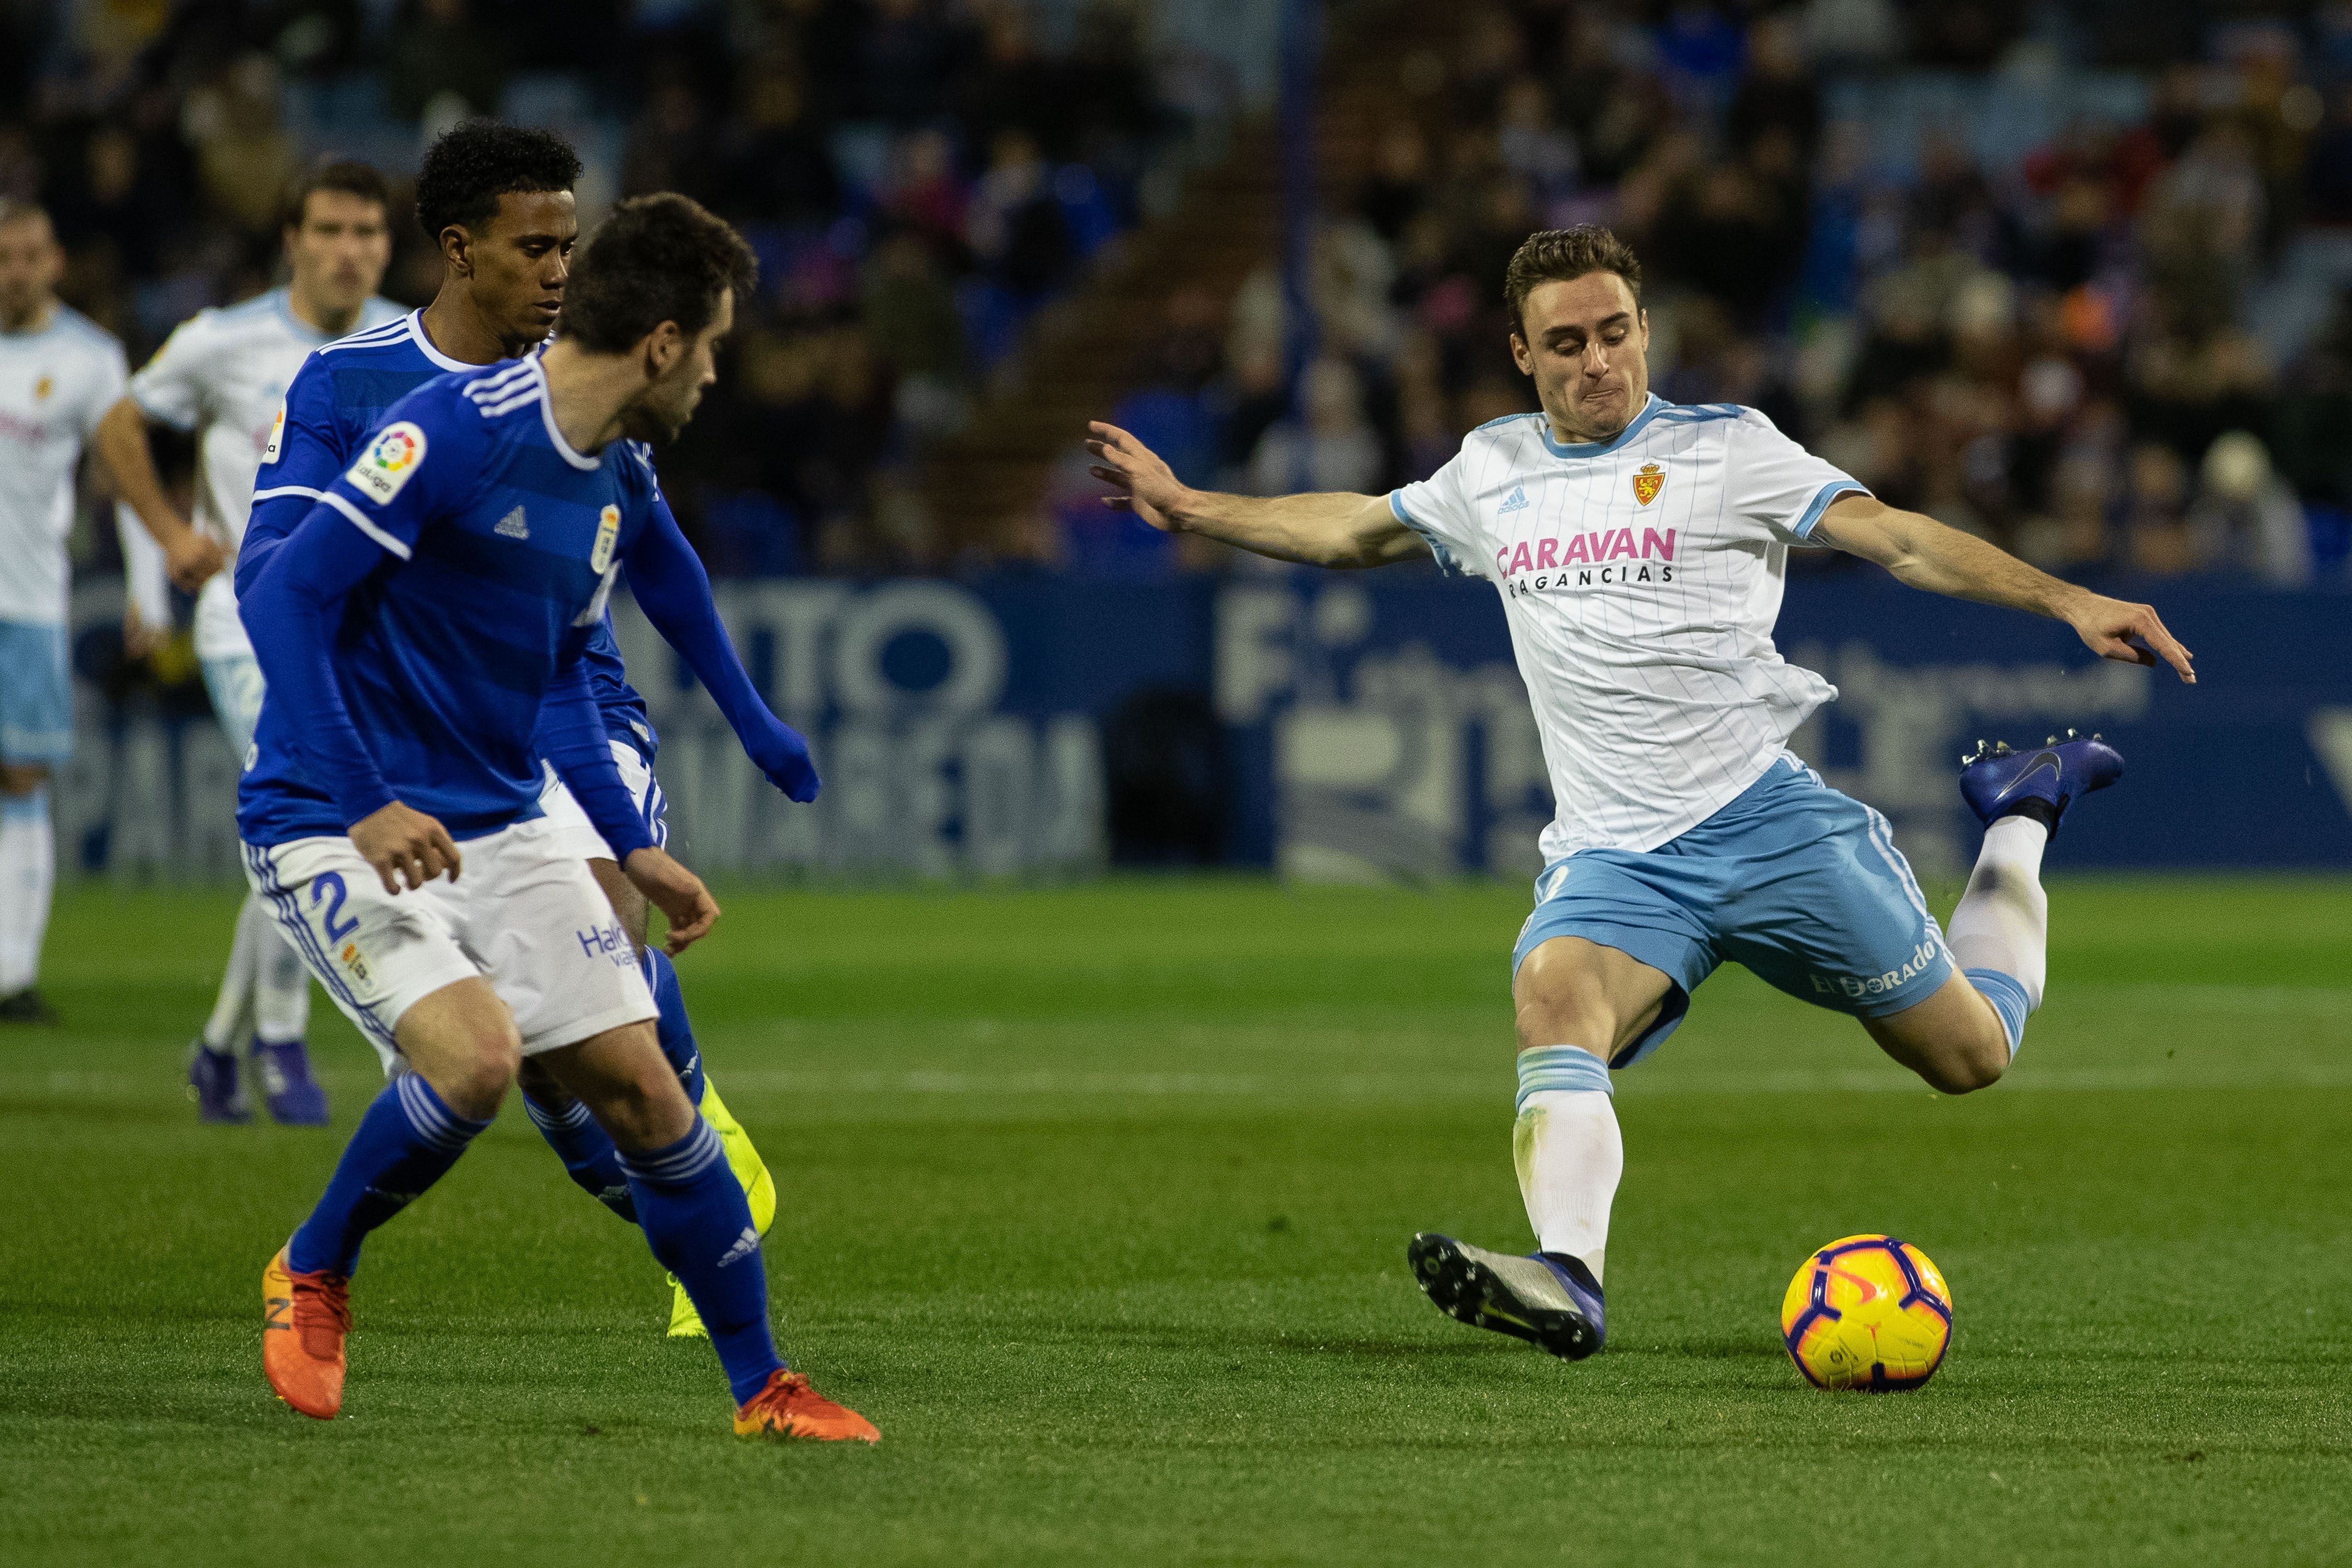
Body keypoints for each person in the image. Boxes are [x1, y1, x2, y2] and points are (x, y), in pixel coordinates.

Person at [1085, 226, 2197, 1360]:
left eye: (1615, 333)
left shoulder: (1729, 450)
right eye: (1566, 343)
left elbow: (1901, 541)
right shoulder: (1493, 470)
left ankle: (2022, 809)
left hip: (1770, 829)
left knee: (1971, 1057)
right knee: (1553, 1002)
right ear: (1522, 353)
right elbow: (1357, 527)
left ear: (1645, 330)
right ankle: (1570, 1275)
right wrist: (1191, 506)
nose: (1598, 362)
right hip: (1618, 862)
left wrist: (2066, 600)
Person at [240, 191, 874, 1440]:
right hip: (331, 814)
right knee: (477, 1061)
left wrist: (631, 842)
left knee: (647, 1096)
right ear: (661, 343)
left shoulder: (609, 477)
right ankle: (311, 1268)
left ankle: (763, 1391)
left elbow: (556, 690)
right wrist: (364, 802)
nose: (713, 377)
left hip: (499, 815)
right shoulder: (448, 436)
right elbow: (286, 602)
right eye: (714, 347)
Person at [96, 160, 405, 1125]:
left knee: (297, 828)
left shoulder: (412, 341)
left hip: (367, 633)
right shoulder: (224, 340)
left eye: (368, 232)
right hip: (250, 621)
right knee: (315, 813)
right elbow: (119, 426)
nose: (351, 251)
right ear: (293, 240)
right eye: (332, 230)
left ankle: (218, 1049)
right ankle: (281, 1041)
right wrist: (172, 534)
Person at [0, 200, 128, 1024]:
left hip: (33, 600)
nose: (16, 269)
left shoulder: (91, 358)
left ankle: (11, 974)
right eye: (3, 255)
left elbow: (122, 479)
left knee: (22, 777)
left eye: (30, 254)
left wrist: (151, 593)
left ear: (55, 262)